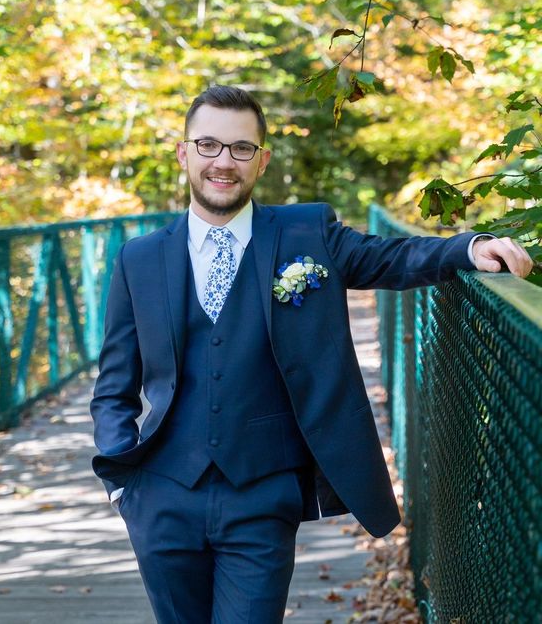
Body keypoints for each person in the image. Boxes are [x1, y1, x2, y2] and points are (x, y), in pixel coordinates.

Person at [90, 85, 533, 623]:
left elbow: (391, 255)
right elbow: (114, 384)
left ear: (263, 160)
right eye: (208, 145)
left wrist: (466, 247)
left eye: (240, 148)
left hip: (263, 494)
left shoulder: (308, 232)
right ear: (184, 153)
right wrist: (121, 484)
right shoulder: (138, 258)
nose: (223, 162)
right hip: (160, 496)